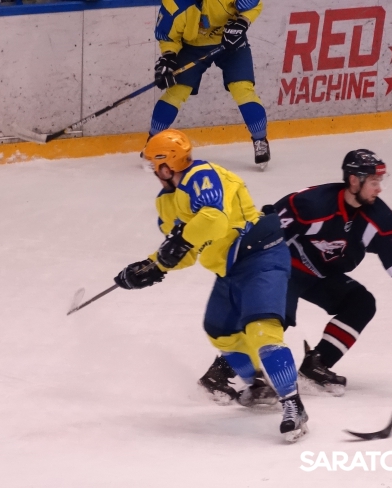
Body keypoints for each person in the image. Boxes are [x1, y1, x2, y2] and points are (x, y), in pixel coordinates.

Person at [199, 149, 392, 400]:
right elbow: (268, 230)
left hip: (321, 275)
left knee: (360, 303)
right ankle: (220, 372)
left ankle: (316, 365)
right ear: (354, 180)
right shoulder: (313, 204)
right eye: (373, 182)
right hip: (286, 268)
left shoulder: (376, 217)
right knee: (271, 319)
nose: (379, 189)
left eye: (380, 181)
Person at [114, 128, 308, 442]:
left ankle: (293, 405)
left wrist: (178, 243)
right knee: (219, 330)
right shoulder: (167, 202)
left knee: (262, 330)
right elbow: (186, 252)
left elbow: (214, 220)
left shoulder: (202, 176)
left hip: (261, 257)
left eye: (154, 165)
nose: (153, 172)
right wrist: (151, 267)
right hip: (229, 269)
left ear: (167, 165)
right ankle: (258, 384)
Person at [149, 0, 271, 167]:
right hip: (192, 47)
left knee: (242, 88)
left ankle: (260, 140)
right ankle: (153, 142)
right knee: (177, 90)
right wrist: (168, 56)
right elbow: (168, 37)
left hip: (231, 42)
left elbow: (254, 4)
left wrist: (242, 22)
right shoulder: (174, 4)